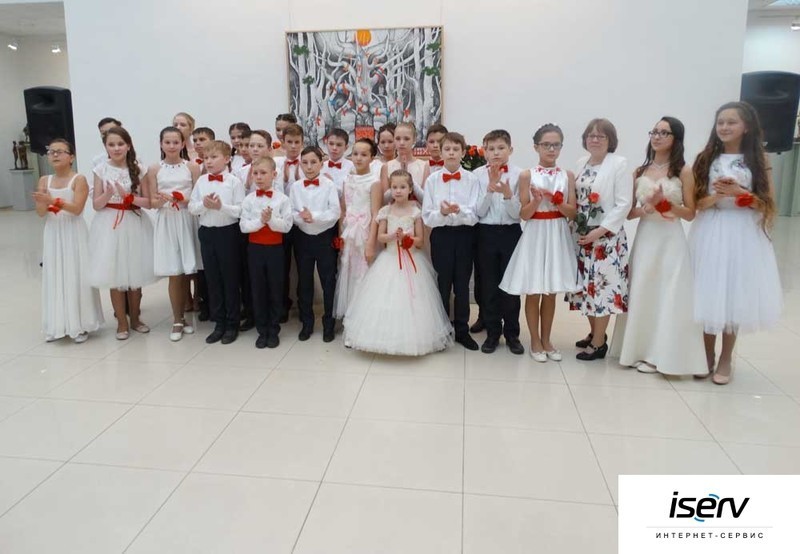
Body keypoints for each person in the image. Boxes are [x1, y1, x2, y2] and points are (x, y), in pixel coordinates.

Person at [689, 101, 782, 385]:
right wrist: (718, 196)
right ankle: (705, 354)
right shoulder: (706, 158)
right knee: (708, 291)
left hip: (743, 233)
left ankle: (726, 358)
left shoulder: (759, 161)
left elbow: (768, 205)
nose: (724, 127)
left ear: (747, 127)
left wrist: (740, 192)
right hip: (711, 229)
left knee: (733, 293)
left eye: (731, 122)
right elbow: (696, 203)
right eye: (721, 122)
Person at [609, 117, 707, 375]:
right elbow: (628, 212)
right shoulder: (639, 172)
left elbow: (690, 213)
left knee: (668, 294)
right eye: (654, 131)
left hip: (671, 238)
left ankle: (660, 355)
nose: (657, 136)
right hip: (646, 237)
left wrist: (666, 205)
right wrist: (646, 208)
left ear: (676, 139)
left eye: (665, 132)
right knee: (643, 290)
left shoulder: (684, 171)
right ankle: (637, 350)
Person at [344, 169, 454, 355]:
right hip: (389, 259)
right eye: (394, 187)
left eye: (402, 187)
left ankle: (415, 338)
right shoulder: (385, 211)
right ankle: (382, 337)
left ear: (410, 189)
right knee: (384, 299)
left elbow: (420, 241)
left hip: (412, 261)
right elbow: (381, 237)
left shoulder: (416, 212)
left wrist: (408, 239)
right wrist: (393, 236)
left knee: (413, 301)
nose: (398, 191)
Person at [501, 124, 578, 361]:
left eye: (556, 145)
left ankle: (547, 339)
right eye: (546, 145)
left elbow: (572, 212)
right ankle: (535, 340)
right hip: (536, 232)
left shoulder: (567, 175)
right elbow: (524, 214)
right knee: (534, 290)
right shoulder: (527, 175)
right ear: (536, 147)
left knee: (551, 291)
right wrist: (536, 201)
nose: (551, 149)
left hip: (557, 232)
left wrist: (557, 201)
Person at [566, 118, 632, 360]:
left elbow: (624, 204)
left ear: (610, 140)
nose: (595, 139)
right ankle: (595, 333)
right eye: (591, 135)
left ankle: (598, 344)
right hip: (582, 235)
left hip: (606, 239)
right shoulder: (581, 163)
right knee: (587, 288)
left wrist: (599, 231)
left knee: (602, 289)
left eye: (600, 136)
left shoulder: (619, 164)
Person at [88, 126, 155, 340]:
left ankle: (135, 318)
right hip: (109, 224)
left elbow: (149, 202)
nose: (116, 148)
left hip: (134, 221)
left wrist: (129, 197)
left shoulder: (139, 169)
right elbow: (96, 205)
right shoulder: (100, 169)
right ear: (105, 147)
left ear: (128, 145)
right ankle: (121, 323)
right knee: (115, 274)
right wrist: (108, 193)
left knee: (135, 272)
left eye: (120, 144)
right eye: (111, 145)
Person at [34, 139, 103, 343]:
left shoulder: (78, 179)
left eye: (60, 151)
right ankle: (57, 324)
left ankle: (80, 324)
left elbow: (77, 209)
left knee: (76, 273)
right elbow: (41, 212)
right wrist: (42, 202)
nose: (55, 155)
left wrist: (52, 201)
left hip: (73, 231)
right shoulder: (44, 180)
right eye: (51, 151)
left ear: (71, 157)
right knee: (55, 273)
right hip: (53, 231)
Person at [422, 131, 481, 350]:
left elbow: (475, 214)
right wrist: (443, 213)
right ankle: (442, 331)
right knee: (443, 284)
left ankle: (462, 330)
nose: (451, 153)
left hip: (465, 236)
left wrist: (458, 212)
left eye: (456, 149)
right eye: (447, 149)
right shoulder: (432, 180)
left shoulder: (472, 179)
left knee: (462, 285)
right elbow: (427, 216)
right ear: (440, 151)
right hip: (441, 236)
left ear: (463, 152)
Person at [147, 126, 202, 341]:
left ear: (182, 144)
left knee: (188, 269)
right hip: (167, 220)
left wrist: (183, 199)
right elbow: (152, 202)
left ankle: (188, 312)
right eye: (167, 142)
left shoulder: (192, 167)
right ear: (161, 144)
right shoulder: (154, 169)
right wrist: (161, 200)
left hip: (187, 219)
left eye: (175, 142)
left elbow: (197, 197)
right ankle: (177, 320)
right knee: (174, 272)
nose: (171, 146)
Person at [188, 140, 246, 345]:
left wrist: (221, 207)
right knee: (212, 279)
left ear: (227, 158)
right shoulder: (201, 181)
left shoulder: (234, 182)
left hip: (228, 234)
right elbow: (192, 207)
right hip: (207, 233)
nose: (209, 161)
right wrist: (204, 205)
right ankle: (219, 323)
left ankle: (232, 323)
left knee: (230, 279)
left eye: (214, 157)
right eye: (206, 158)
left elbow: (240, 210)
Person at [473, 129, 524, 355]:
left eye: (501, 148)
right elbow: (478, 212)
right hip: (486, 233)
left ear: (510, 150)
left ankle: (513, 334)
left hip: (511, 233)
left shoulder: (520, 174)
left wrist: (507, 195)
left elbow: (517, 214)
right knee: (489, 285)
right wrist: (488, 190)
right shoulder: (476, 175)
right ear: (484, 152)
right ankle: (493, 333)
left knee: (511, 286)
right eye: (491, 149)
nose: (496, 153)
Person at [239, 157, 292, 348]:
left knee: (276, 288)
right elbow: (244, 226)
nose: (259, 177)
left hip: (275, 249)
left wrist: (271, 220)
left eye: (263, 173)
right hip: (255, 249)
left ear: (274, 174)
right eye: (256, 173)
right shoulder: (248, 200)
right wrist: (261, 221)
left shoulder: (283, 199)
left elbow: (286, 226)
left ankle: (274, 329)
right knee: (258, 288)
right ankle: (262, 330)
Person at [290, 146, 340, 342]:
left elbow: (335, 212)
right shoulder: (295, 187)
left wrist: (314, 217)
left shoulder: (329, 185)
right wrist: (302, 218)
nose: (309, 167)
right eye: (305, 163)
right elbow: (291, 212)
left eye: (313, 162)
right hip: (302, 237)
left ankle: (329, 324)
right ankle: (307, 323)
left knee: (328, 281)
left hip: (324, 237)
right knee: (304, 281)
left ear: (321, 163)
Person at [333, 138, 378, 319]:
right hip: (349, 233)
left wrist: (371, 243)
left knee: (364, 272)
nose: (358, 158)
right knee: (349, 271)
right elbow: (343, 209)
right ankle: (351, 316)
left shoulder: (374, 182)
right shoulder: (347, 179)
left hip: (365, 233)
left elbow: (376, 214)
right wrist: (340, 236)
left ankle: (364, 317)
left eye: (364, 155)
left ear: (372, 158)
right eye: (355, 154)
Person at [276, 123, 306, 322]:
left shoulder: (310, 162)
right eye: (290, 142)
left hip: (303, 222)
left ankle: (304, 307)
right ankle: (282, 306)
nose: (293, 146)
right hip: (281, 222)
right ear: (283, 143)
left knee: (303, 267)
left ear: (303, 142)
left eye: (297, 142)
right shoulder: (276, 164)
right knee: (282, 266)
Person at [321, 128, 355, 196]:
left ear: (346, 148)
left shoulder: (352, 167)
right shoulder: (320, 167)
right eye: (331, 144)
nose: (334, 148)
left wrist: (332, 184)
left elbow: (352, 192)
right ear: (326, 144)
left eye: (339, 145)